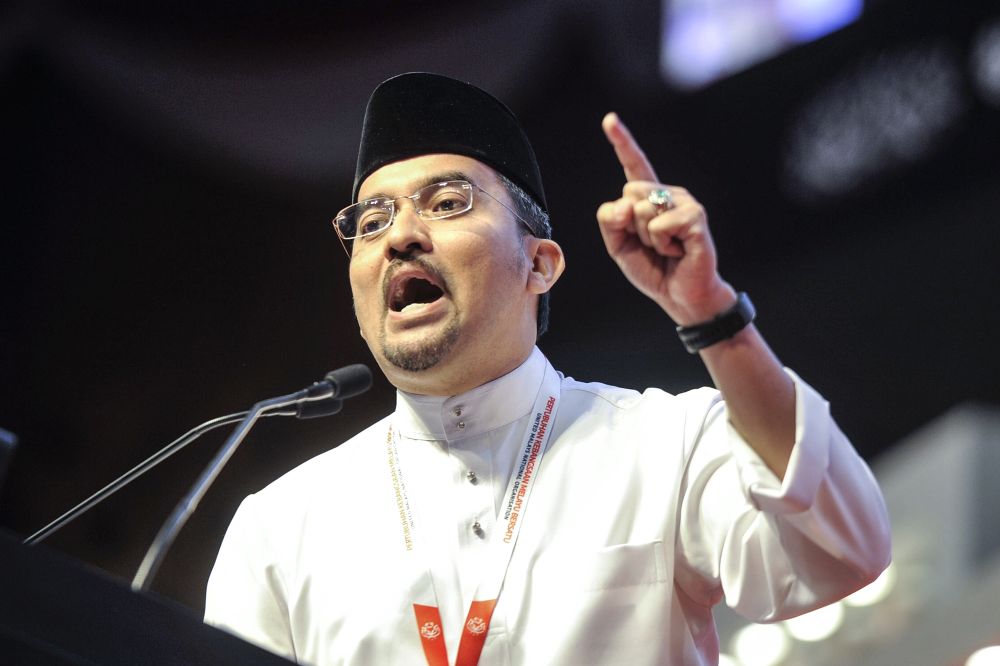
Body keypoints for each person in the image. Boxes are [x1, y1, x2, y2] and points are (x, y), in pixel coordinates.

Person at [204, 72, 891, 666]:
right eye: (372, 220)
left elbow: (841, 548)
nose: (402, 235)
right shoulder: (281, 527)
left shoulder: (666, 444)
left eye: (446, 203)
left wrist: (710, 314)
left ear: (539, 264)